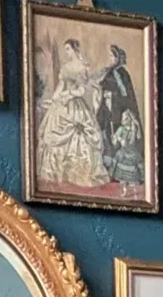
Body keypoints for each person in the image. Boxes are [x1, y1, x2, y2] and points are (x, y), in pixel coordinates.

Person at [35, 38, 108, 191]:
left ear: (75, 49)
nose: (66, 52)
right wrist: (56, 97)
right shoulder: (66, 67)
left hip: (75, 105)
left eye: (68, 49)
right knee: (53, 133)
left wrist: (68, 94)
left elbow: (81, 91)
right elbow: (61, 86)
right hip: (62, 105)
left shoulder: (82, 67)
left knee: (80, 135)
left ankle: (79, 176)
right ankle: (59, 175)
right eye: (65, 49)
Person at [96, 45, 143, 187]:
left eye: (112, 56)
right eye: (110, 56)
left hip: (119, 111)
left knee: (118, 139)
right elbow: (101, 86)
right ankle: (109, 170)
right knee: (107, 137)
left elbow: (126, 95)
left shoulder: (123, 74)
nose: (110, 59)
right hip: (107, 110)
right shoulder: (108, 72)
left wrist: (115, 101)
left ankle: (120, 175)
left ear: (118, 58)